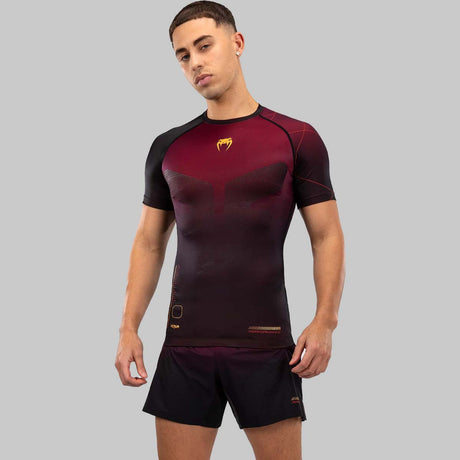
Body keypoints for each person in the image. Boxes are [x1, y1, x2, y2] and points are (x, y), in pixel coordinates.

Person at [115, 1, 345, 459]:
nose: (195, 62)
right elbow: (149, 242)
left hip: (266, 344)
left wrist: (325, 321)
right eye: (183, 55)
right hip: (185, 345)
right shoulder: (168, 146)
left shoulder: (295, 137)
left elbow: (326, 235)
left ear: (237, 43)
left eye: (204, 46)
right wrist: (128, 327)